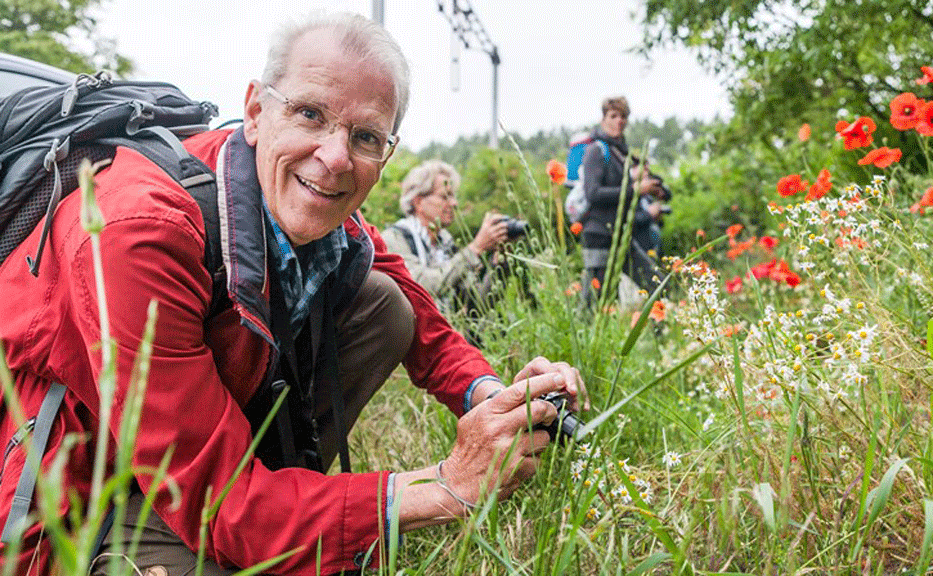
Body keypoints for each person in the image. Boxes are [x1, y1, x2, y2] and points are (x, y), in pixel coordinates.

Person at [0, 12, 585, 576]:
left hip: (196, 453)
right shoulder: (139, 233)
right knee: (229, 548)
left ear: (387, 153)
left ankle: (292, 506)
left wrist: (497, 395)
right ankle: (225, 532)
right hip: (84, 487)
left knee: (384, 304)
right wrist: (445, 485)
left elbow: (423, 322)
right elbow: (224, 508)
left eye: (364, 136)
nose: (334, 159)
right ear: (256, 111)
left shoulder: (311, 207)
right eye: (310, 114)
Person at [381, 160, 509, 320]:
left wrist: (500, 264)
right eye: (445, 196)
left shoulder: (445, 243)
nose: (454, 203)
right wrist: (474, 249)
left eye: (454, 196)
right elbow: (423, 287)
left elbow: (477, 306)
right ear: (418, 201)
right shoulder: (395, 239)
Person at [578, 96, 669, 304]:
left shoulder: (621, 153)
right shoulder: (595, 151)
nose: (619, 121)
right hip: (599, 235)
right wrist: (634, 189)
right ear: (603, 119)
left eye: (623, 116)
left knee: (656, 286)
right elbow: (593, 193)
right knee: (597, 304)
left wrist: (650, 189)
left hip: (621, 236)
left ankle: (660, 332)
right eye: (613, 116)